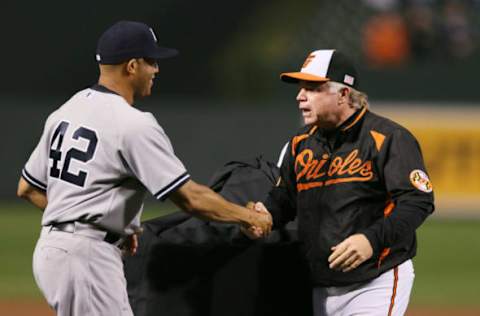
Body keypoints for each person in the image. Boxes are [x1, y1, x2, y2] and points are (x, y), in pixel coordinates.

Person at [16, 20, 271, 316]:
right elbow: (191, 198)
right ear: (133, 66)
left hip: (55, 250)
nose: (157, 69)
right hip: (85, 257)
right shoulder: (132, 124)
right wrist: (247, 217)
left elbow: (28, 188)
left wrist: (93, 221)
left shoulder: (68, 109)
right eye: (152, 61)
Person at [256, 49, 434, 315]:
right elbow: (284, 200)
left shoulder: (389, 138)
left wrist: (371, 239)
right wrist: (265, 213)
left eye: (312, 88)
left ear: (343, 94)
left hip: (375, 280)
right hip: (316, 285)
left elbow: (417, 201)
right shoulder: (299, 144)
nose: (300, 96)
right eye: (301, 88)